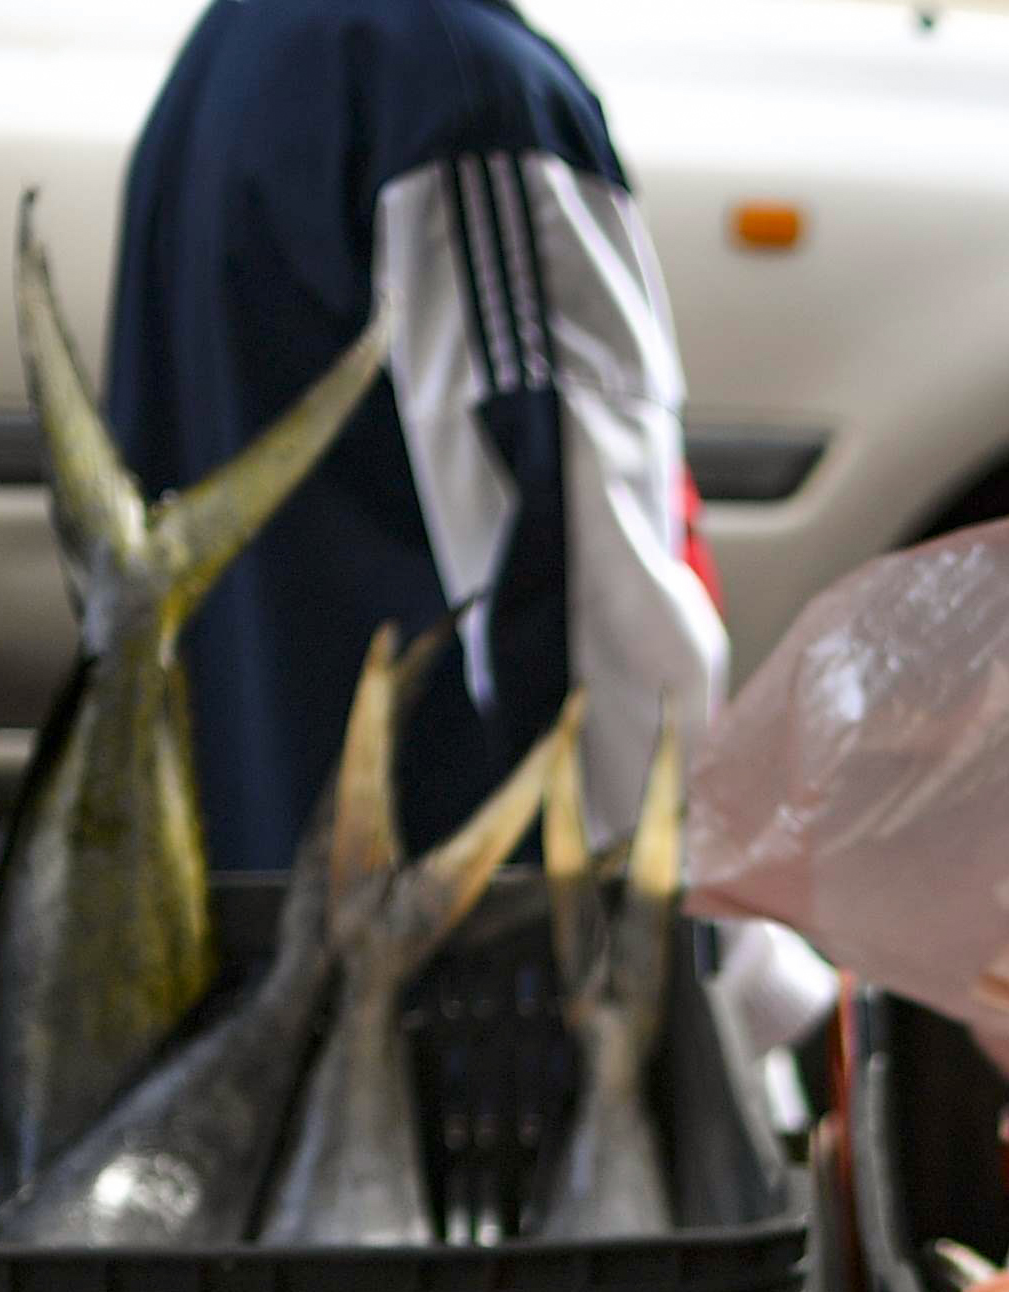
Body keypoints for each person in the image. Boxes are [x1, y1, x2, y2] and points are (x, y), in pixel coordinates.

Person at [106, 0, 721, 868]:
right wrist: (692, 943)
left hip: (270, 892)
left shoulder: (243, 43)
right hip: (452, 928)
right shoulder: (463, 91)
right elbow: (582, 587)